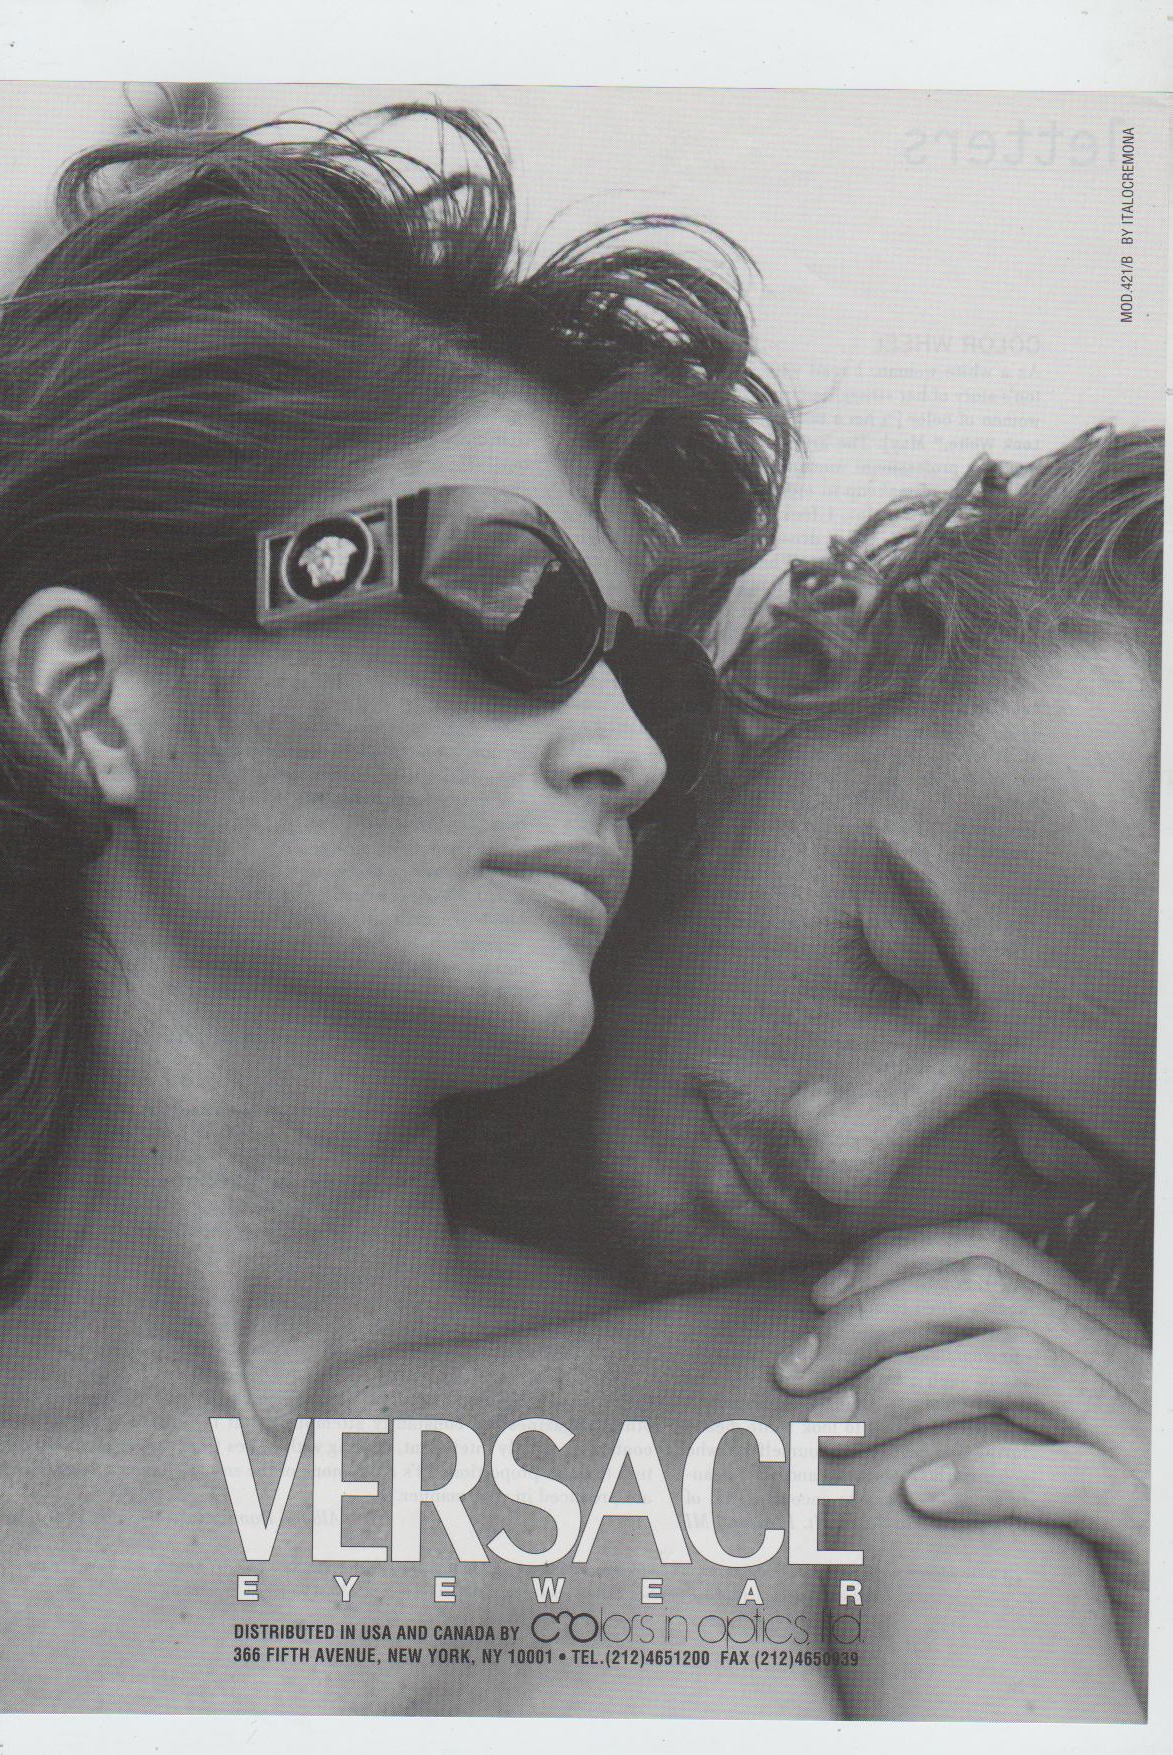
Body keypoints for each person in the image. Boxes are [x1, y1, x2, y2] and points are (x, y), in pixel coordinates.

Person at [0, 105, 797, 1713]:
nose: (633, 755)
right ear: (89, 699)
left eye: (652, 683)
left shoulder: (824, 1403)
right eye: (518, 600)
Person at [448, 425, 1157, 1714]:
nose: (852, 1156)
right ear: (792, 675)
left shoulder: (941, 1449)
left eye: (1036, 1152)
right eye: (887, 960)